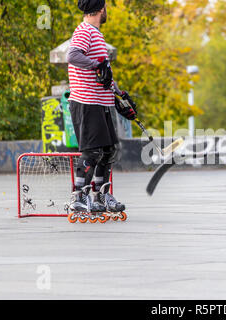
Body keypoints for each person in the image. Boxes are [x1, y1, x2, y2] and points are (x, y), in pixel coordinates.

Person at [66, 0, 137, 214]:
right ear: (100, 9)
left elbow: (102, 74)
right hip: (86, 102)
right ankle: (78, 197)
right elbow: (72, 55)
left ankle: (100, 195)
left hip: (101, 101)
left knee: (108, 151)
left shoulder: (96, 34)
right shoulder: (85, 30)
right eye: (106, 7)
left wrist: (118, 93)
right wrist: (97, 64)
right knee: (92, 151)